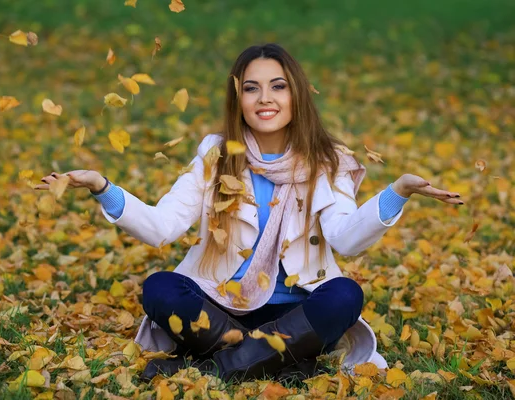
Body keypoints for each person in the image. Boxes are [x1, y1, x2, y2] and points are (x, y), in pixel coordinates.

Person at [35, 43, 464, 383]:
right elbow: (163, 227)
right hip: (221, 309)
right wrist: (101, 187)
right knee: (160, 289)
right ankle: (274, 359)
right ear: (237, 97)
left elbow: (347, 239)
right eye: (251, 88)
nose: (265, 99)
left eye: (278, 86)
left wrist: (397, 192)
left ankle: (216, 368)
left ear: (295, 93)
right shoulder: (216, 154)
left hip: (294, 314)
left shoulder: (328, 160)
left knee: (345, 296)